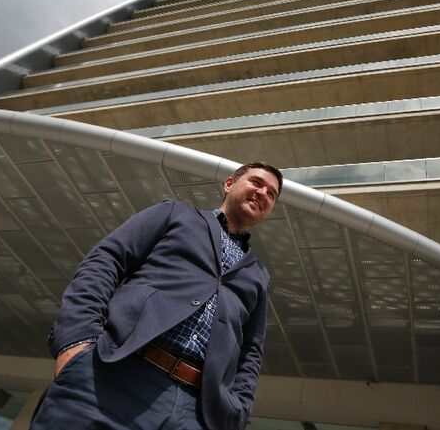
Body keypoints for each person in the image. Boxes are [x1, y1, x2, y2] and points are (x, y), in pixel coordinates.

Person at [31, 162, 283, 430]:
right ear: (229, 184)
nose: (263, 193)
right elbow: (106, 261)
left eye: (271, 194)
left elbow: (252, 350)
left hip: (194, 411)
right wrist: (76, 340)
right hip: (111, 375)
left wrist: (237, 412)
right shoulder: (175, 213)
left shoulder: (258, 274)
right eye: (256, 182)